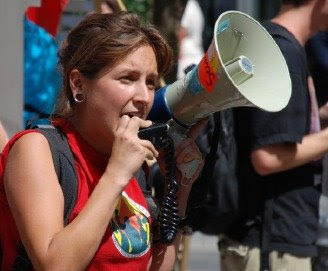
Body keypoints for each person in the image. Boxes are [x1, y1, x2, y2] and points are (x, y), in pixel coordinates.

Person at [0, 12, 206, 270]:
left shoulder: (128, 157)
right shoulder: (37, 150)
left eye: (151, 82)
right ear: (78, 84)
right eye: (127, 78)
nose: (144, 96)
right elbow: (54, 265)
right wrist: (117, 173)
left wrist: (179, 189)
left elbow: (154, 267)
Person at [219, 1, 328, 271]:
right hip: (270, 243)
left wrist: (316, 120)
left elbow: (265, 132)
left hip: (270, 238)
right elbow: (267, 157)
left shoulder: (275, 43)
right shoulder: (283, 51)